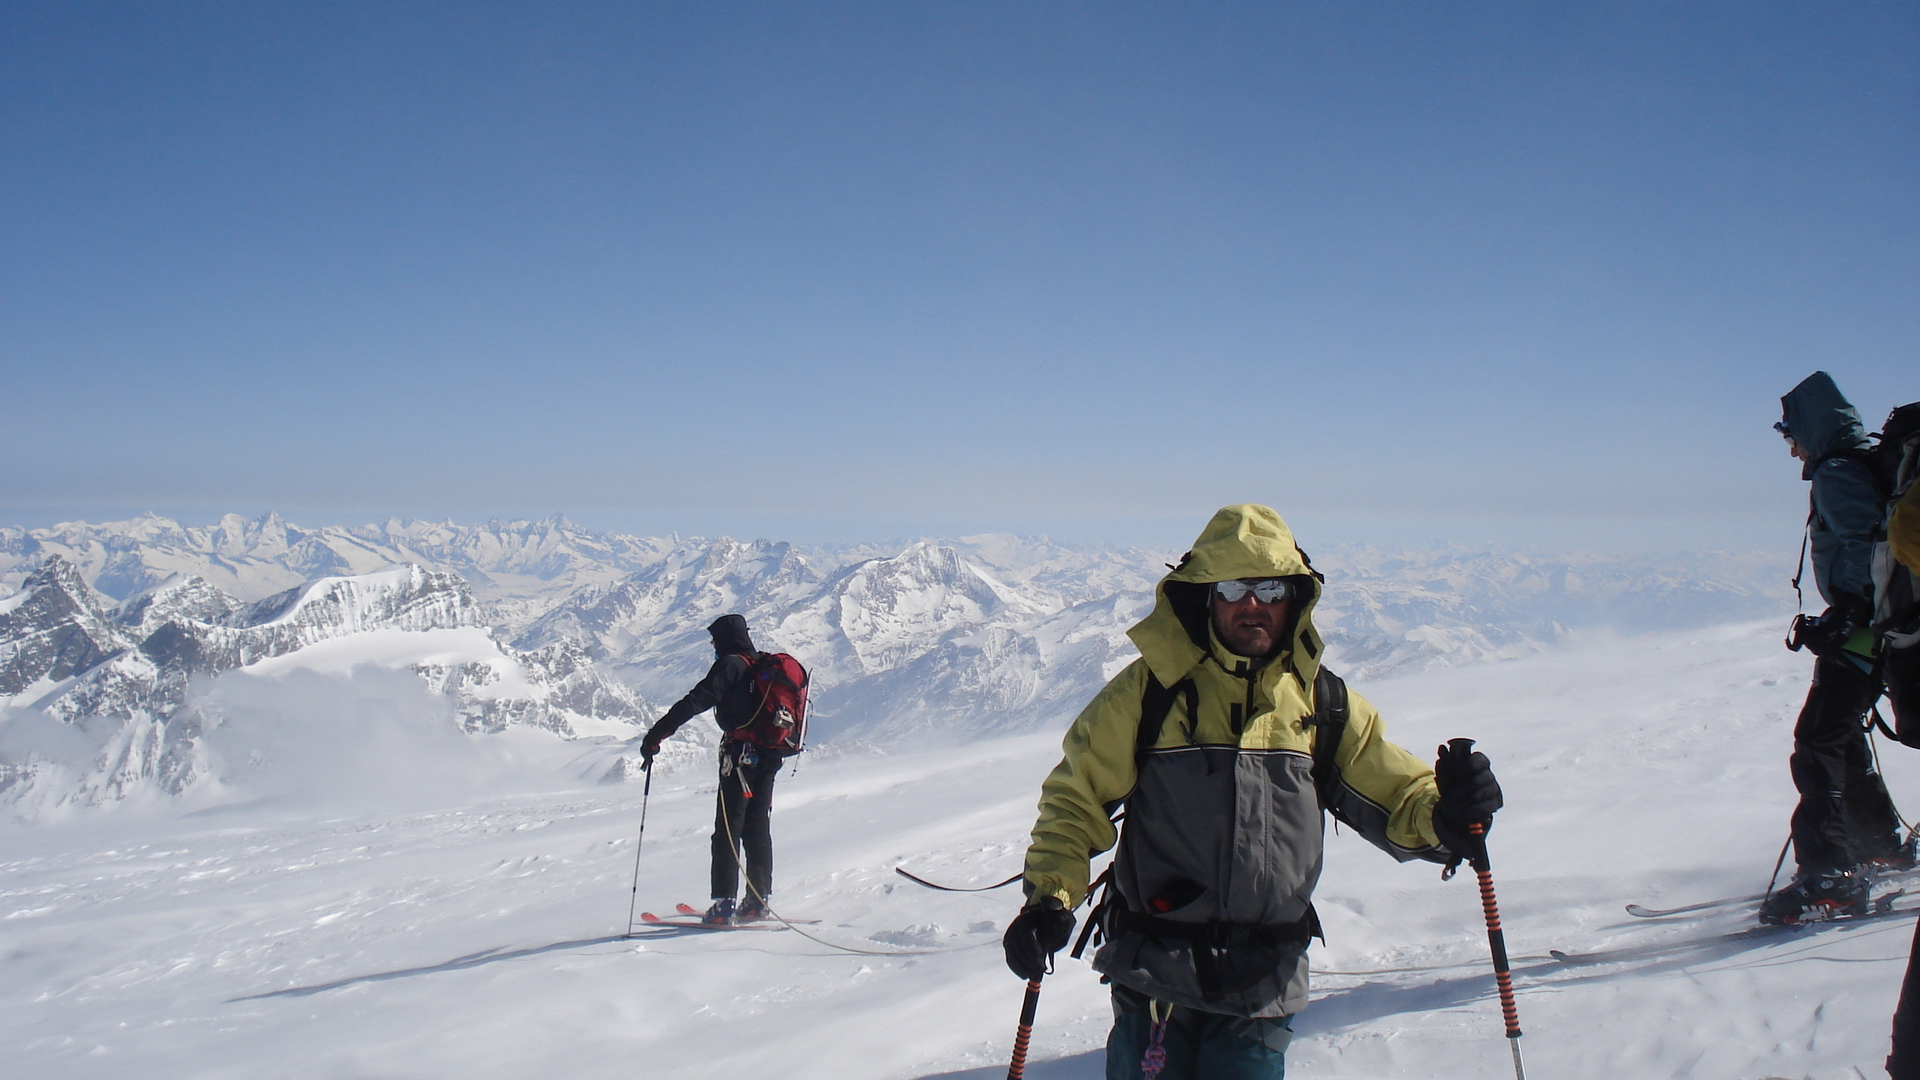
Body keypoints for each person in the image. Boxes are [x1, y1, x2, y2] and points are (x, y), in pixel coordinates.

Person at [1001, 504, 1503, 1079]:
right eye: (1235, 586)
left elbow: (1398, 797)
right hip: (1155, 975)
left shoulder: (1323, 707)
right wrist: (1049, 898)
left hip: (1261, 984)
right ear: (1206, 595)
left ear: (1294, 597)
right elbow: (1075, 800)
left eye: (1269, 586)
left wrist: (1450, 813)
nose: (1252, 604)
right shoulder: (1147, 696)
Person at [1762, 372, 1910, 926]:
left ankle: (1829, 872)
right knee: (1840, 735)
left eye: (1790, 433)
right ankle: (1878, 844)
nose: (1790, 445)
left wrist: (1845, 615)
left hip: (1867, 630)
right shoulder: (1863, 463)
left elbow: (1870, 543)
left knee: (1818, 742)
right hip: (1882, 625)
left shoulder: (1838, 472)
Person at [641, 614, 788, 925]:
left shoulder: (731, 666)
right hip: (770, 755)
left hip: (739, 758)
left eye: (714, 640)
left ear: (724, 639)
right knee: (756, 827)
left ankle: (723, 905)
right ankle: (757, 901)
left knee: (727, 829)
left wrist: (656, 734)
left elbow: (695, 701)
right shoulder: (761, 664)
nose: (712, 646)